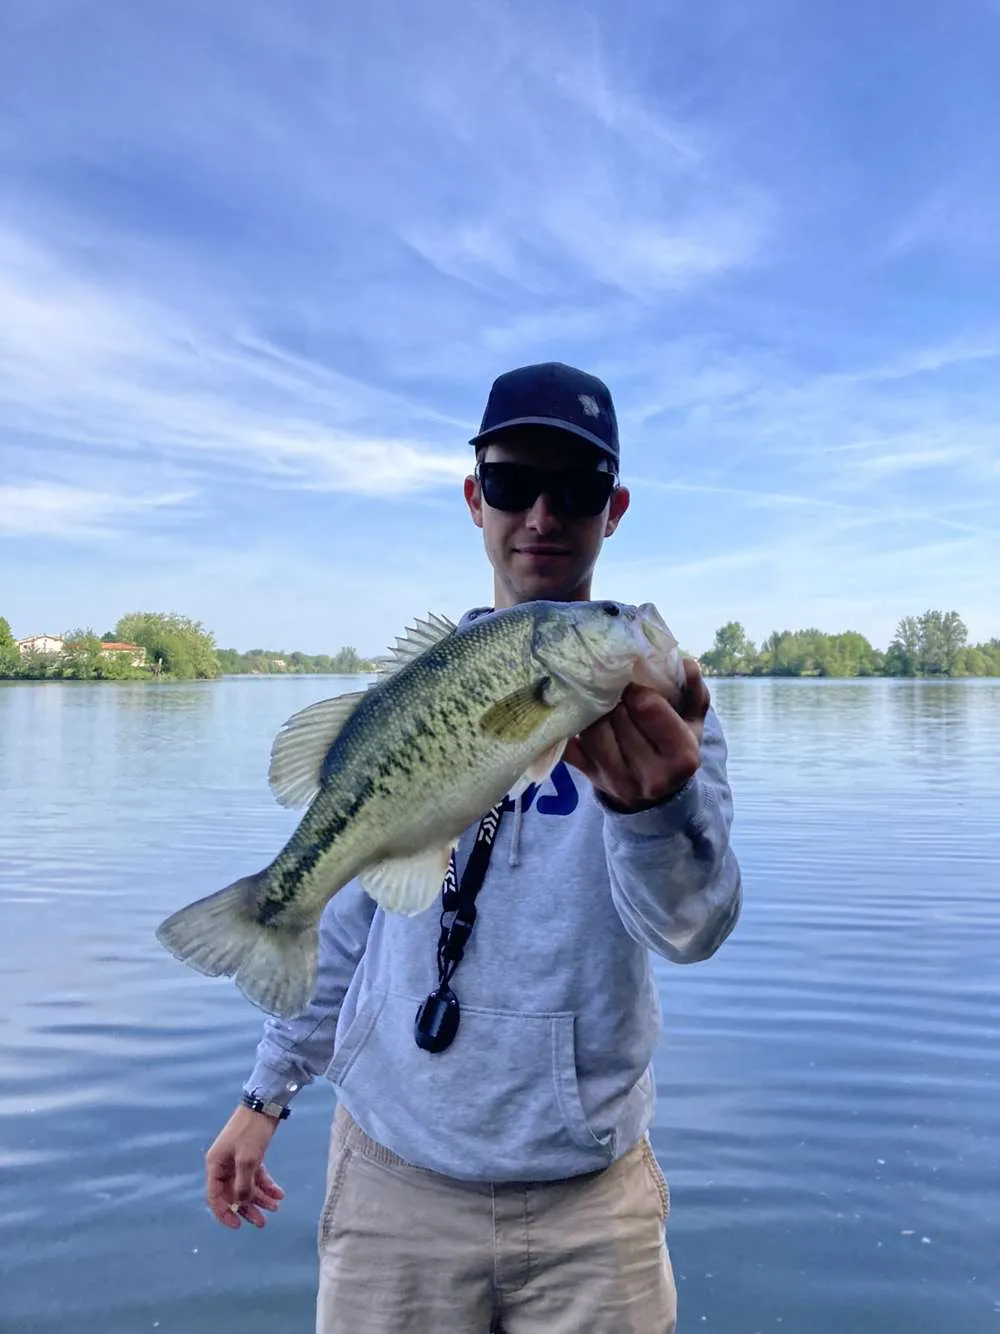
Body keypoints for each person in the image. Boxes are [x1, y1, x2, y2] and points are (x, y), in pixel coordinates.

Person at [202, 362, 742, 1333]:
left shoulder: (667, 719)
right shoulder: (421, 689)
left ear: (614, 510)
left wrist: (655, 812)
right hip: (392, 1185)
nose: (542, 514)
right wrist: (266, 1090)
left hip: (592, 1205)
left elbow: (690, 930)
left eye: (576, 488)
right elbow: (353, 923)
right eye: (512, 482)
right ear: (473, 498)